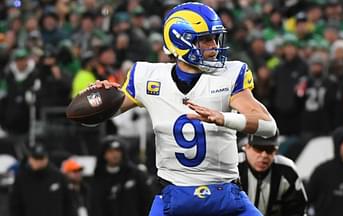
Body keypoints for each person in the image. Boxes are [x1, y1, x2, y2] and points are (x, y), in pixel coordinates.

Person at [88, 2, 277, 215]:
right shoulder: (147, 77)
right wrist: (96, 98)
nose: (214, 46)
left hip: (225, 193)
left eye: (215, 38)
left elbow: (269, 127)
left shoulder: (231, 74)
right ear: (181, 40)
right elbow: (95, 116)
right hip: (173, 195)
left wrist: (223, 118)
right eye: (206, 39)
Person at [238, 133, 308, 216]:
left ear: (275, 151)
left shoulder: (286, 170)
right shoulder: (234, 166)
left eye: (269, 150)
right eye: (258, 148)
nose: (264, 155)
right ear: (246, 148)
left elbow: (297, 210)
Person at [90, 136, 154, 216]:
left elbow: (148, 200)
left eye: (118, 151)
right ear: (103, 154)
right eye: (110, 151)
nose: (115, 154)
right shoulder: (98, 178)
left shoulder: (135, 174)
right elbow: (94, 206)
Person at [9, 143, 73, 216]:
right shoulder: (21, 179)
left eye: (41, 158)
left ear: (47, 158)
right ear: (30, 158)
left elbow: (68, 204)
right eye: (36, 158)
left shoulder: (58, 177)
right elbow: (15, 207)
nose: (39, 162)